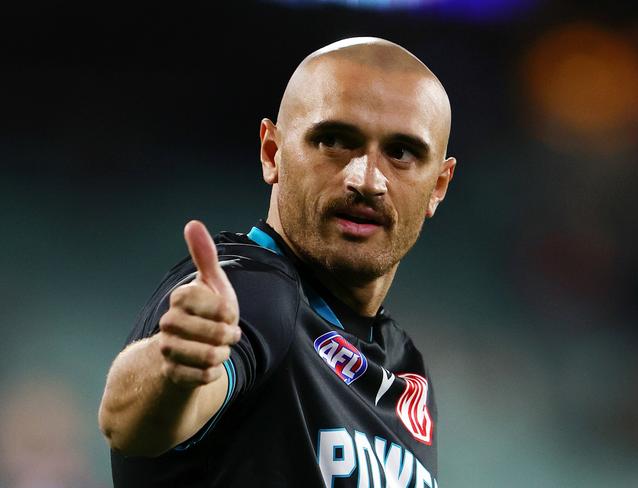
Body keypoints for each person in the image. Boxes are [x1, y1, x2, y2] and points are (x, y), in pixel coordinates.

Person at [98, 36, 456, 488]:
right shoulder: (254, 293)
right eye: (334, 140)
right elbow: (129, 423)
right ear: (273, 152)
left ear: (438, 185)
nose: (367, 180)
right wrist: (175, 371)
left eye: (401, 153)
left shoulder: (404, 365)